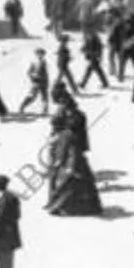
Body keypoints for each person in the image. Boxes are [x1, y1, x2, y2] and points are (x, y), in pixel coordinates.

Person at [45, 87, 103, 215]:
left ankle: (55, 204)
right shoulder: (71, 112)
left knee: (63, 177)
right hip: (68, 147)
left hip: (68, 149)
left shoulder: (70, 118)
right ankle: (55, 203)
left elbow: (63, 128)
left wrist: (58, 138)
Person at [18, 49, 50, 116]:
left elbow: (45, 73)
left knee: (45, 96)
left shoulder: (44, 62)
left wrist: (47, 82)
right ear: (36, 54)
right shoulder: (34, 62)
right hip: (36, 82)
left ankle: (45, 111)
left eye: (42, 54)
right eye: (39, 54)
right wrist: (34, 76)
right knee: (32, 96)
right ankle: (22, 107)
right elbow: (29, 72)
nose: (40, 55)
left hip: (43, 82)